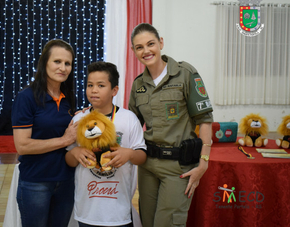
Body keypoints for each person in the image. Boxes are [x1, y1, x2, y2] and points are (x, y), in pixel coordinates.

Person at [128, 23, 213, 227]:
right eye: (139, 47)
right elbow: (131, 123)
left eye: (150, 44)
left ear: (161, 43)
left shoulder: (185, 73)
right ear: (134, 51)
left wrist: (204, 162)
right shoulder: (138, 84)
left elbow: (205, 120)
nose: (146, 51)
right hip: (148, 165)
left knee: (167, 224)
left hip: (178, 167)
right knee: (147, 222)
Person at [65, 62, 147, 227]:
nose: (93, 90)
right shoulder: (78, 120)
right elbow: (68, 159)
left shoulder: (128, 118)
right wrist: (75, 153)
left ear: (114, 90)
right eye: (90, 85)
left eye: (100, 85)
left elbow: (142, 156)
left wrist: (129, 154)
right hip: (87, 210)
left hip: (119, 211)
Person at [11, 39, 78, 227]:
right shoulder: (26, 98)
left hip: (66, 181)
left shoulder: (69, 98)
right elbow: (22, 146)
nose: (63, 68)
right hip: (36, 183)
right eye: (57, 61)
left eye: (67, 63)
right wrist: (64, 140)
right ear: (44, 63)